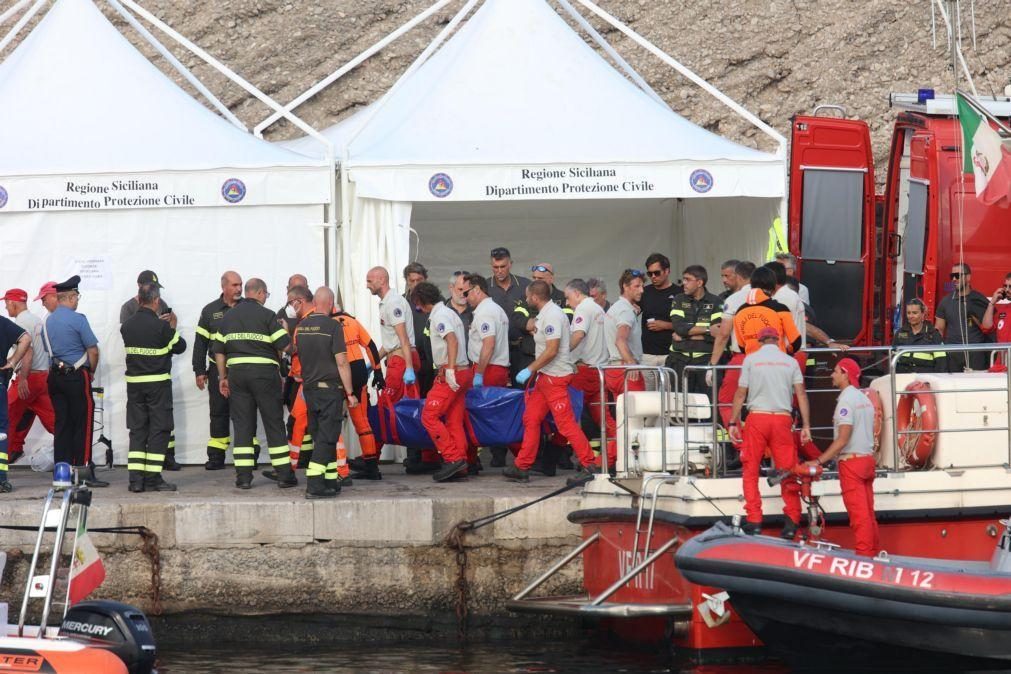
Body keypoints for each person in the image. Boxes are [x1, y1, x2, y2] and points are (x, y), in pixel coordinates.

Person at [503, 281, 597, 484]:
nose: (526, 299)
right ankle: (522, 466)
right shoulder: (547, 314)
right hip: (546, 377)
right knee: (531, 418)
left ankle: (590, 464)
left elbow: (552, 349)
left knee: (566, 425)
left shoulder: (552, 315)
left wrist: (530, 368)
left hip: (555, 378)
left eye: (528, 297)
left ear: (535, 298)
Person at [728, 326, 812, 538]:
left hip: (758, 418)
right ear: (778, 340)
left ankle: (755, 520)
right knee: (787, 470)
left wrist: (732, 422)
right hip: (782, 419)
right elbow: (801, 395)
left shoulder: (750, 360)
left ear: (759, 340)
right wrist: (807, 426)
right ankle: (792, 522)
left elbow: (740, 394)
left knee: (751, 470)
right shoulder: (790, 362)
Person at [213, 278, 293, 490]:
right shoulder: (268, 316)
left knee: (242, 426)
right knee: (274, 423)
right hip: (265, 376)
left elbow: (218, 351)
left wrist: (223, 378)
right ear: (259, 293)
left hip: (237, 376)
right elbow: (286, 346)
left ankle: (244, 477)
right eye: (266, 294)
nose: (266, 298)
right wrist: (285, 330)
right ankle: (284, 475)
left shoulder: (228, 317)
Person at [806, 358, 879, 557]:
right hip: (867, 460)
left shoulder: (846, 401)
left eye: (836, 371)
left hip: (852, 463)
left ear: (846, 374)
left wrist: (819, 460)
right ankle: (873, 554)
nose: (832, 375)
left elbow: (843, 439)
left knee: (859, 516)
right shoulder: (864, 398)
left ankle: (864, 557)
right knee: (869, 514)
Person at [293, 286, 358, 499]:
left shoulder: (301, 327)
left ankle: (330, 480)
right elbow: (341, 361)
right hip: (329, 390)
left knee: (320, 435)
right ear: (330, 304)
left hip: (309, 390)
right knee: (328, 436)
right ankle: (314, 483)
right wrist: (350, 392)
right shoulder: (332, 326)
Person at [120, 283, 186, 493]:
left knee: (138, 430)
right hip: (157, 385)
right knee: (160, 429)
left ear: (139, 300)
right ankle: (153, 478)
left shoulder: (127, 326)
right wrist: (171, 326)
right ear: (156, 301)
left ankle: (135, 480)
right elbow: (180, 346)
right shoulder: (161, 327)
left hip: (134, 386)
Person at [42, 276, 107, 487]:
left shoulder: (47, 322)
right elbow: (93, 351)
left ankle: (62, 473)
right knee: (83, 424)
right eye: (76, 296)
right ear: (70, 297)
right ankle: (83, 473)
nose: (77, 300)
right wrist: (92, 371)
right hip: (76, 377)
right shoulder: (79, 319)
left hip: (55, 378)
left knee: (62, 424)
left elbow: (48, 350)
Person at [414, 282, 473, 482]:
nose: (418, 309)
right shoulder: (450, 313)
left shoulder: (439, 316)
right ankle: (462, 462)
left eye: (418, 304)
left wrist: (449, 368)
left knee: (429, 416)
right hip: (464, 372)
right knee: (454, 420)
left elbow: (451, 340)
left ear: (422, 301)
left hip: (452, 373)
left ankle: (452, 458)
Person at [194, 271, 247, 470]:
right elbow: (200, 343)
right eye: (234, 285)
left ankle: (249, 454)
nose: (239, 289)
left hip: (243, 368)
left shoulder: (248, 308)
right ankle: (216, 456)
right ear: (223, 286)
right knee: (218, 412)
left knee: (244, 411)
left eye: (240, 284)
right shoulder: (210, 311)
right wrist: (199, 370)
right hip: (217, 369)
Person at [566, 279, 617, 468]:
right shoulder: (598, 310)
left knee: (570, 418)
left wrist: (562, 354)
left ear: (578, 294)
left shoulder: (583, 309)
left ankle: (584, 458)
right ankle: (620, 447)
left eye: (568, 297)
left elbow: (578, 335)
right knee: (603, 417)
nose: (567, 302)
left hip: (584, 370)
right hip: (599, 370)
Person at [3, 288, 55, 466]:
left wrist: (22, 378)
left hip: (29, 377)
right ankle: (72, 451)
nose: (5, 307)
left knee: (6, 416)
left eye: (6, 303)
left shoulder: (22, 322)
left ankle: (7, 454)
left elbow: (28, 351)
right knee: (53, 420)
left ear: (13, 302)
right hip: (42, 376)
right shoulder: (36, 320)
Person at [334, 305, 384, 481]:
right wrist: (378, 371)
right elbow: (370, 345)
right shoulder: (352, 321)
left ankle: (336, 465)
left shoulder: (327, 323)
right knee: (362, 422)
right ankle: (371, 466)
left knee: (330, 420)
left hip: (340, 374)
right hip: (359, 372)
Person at [708, 261, 754, 434]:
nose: (724, 280)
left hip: (742, 358)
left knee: (726, 402)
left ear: (739, 276)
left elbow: (724, 334)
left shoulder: (734, 299)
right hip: (770, 357)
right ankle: (761, 451)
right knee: (762, 408)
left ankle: (743, 446)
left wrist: (712, 365)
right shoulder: (770, 297)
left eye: (727, 276)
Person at [277, 286, 315, 477]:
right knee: (297, 422)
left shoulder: (308, 323)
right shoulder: (311, 321)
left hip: (311, 383)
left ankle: (341, 469)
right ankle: (289, 470)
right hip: (305, 382)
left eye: (291, 303)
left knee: (322, 426)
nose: (290, 307)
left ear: (299, 301)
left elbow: (294, 350)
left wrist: (283, 335)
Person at [666, 265, 722, 395]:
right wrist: (708, 329)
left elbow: (717, 333)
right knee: (680, 408)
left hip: (705, 361)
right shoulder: (678, 299)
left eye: (687, 279)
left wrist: (686, 335)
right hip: (679, 360)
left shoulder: (716, 301)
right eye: (683, 279)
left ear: (699, 282)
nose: (683, 283)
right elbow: (679, 328)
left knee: (708, 407)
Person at [935, 262, 990, 371]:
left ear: (968, 277)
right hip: (952, 354)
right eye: (952, 276)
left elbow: (988, 328)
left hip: (975, 354)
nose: (954, 279)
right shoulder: (945, 301)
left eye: (958, 276)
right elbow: (939, 329)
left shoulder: (979, 299)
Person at [0, 314, 31, 491]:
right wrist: (12, 362)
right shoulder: (2, 322)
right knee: (1, 431)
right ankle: (0, 479)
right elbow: (25, 338)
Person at [604, 269, 646, 398]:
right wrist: (631, 363)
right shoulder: (625, 311)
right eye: (637, 286)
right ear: (625, 286)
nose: (642, 290)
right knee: (638, 415)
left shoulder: (615, 307)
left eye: (642, 286)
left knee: (623, 414)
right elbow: (620, 340)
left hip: (613, 369)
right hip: (626, 369)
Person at [640, 253, 681, 389]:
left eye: (656, 273)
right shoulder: (644, 292)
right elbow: (632, 309)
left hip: (670, 354)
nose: (653, 277)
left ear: (667, 271)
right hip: (648, 355)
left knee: (670, 398)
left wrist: (666, 325)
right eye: (649, 273)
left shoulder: (679, 293)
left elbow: (689, 323)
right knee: (648, 400)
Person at [465, 274, 511, 388]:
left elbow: (489, 344)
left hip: (487, 369)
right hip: (497, 368)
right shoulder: (497, 309)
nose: (465, 298)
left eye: (466, 293)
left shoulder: (484, 312)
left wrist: (479, 374)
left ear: (476, 289)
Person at [403, 263, 435, 397]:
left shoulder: (435, 302)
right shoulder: (401, 303)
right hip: (409, 360)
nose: (416, 284)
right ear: (407, 281)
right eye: (412, 281)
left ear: (425, 280)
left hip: (431, 360)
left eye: (419, 280)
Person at [893, 298, 947, 373]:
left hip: (925, 381)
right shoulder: (900, 333)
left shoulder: (934, 335)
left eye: (915, 313)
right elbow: (893, 359)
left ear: (922, 314)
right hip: (903, 379)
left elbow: (941, 364)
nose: (911, 316)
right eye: (908, 313)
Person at [982, 273, 1011, 366]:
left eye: (1010, 287)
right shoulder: (1003, 310)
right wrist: (991, 303)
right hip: (1001, 366)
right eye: (1005, 286)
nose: (1007, 290)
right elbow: (986, 327)